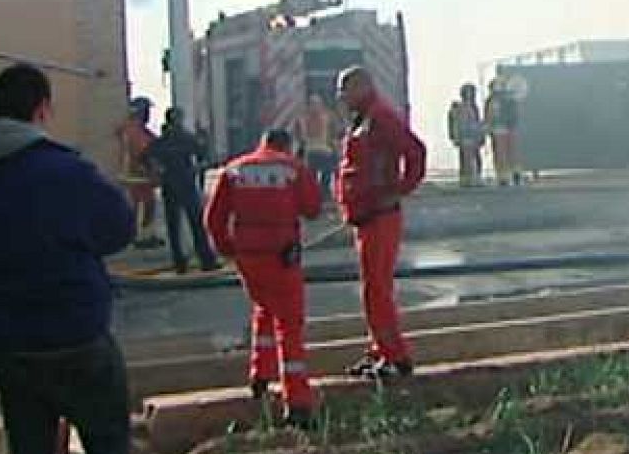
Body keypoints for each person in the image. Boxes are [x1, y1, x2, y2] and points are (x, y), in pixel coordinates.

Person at [0, 64, 135, 454]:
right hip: (76, 335)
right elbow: (119, 226)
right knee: (108, 438)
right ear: (41, 109)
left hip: (9, 342)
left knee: (30, 453)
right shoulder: (64, 170)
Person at [204, 128, 323, 425]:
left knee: (264, 309)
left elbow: (213, 218)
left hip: (248, 256)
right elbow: (312, 209)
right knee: (289, 323)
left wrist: (228, 248)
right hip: (280, 255)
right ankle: (297, 402)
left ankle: (261, 376)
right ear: (288, 146)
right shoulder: (293, 169)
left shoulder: (234, 169)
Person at [335, 66, 426, 381]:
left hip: (380, 216)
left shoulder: (381, 117)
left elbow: (415, 152)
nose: (341, 98)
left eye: (345, 90)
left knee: (377, 289)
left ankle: (395, 356)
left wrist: (400, 189)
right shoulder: (364, 120)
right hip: (367, 216)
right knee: (373, 289)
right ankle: (380, 350)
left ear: (361, 87)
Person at [147, 108, 220, 274]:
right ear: (179, 119)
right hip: (186, 184)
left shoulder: (162, 140)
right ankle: (206, 260)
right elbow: (205, 157)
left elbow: (147, 157)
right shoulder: (185, 138)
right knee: (196, 224)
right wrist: (197, 167)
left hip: (169, 185)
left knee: (173, 226)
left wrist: (157, 170)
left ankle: (179, 263)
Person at [117, 97, 163, 250]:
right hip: (136, 177)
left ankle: (145, 236)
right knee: (141, 207)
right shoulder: (133, 131)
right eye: (146, 111)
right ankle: (140, 237)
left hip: (140, 178)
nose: (148, 115)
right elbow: (142, 152)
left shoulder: (139, 130)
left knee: (147, 206)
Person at [293, 93, 339, 197]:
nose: (315, 106)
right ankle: (321, 194)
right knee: (319, 175)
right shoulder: (328, 117)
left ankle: (318, 194)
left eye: (317, 103)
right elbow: (334, 135)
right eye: (314, 104)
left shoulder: (302, 118)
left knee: (316, 176)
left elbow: (297, 136)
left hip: (315, 152)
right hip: (318, 152)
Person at [484, 77, 522, 186]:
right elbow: (489, 116)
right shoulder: (492, 100)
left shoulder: (507, 99)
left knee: (509, 153)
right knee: (502, 153)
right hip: (499, 129)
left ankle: (512, 174)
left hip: (505, 129)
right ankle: (504, 175)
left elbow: (514, 113)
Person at [447, 83, 485, 187]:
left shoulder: (474, 107)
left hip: (474, 136)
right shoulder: (457, 108)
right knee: (465, 157)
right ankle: (465, 178)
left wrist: (481, 135)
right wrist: (454, 136)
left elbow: (477, 122)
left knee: (475, 157)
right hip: (464, 136)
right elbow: (453, 123)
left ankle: (476, 176)